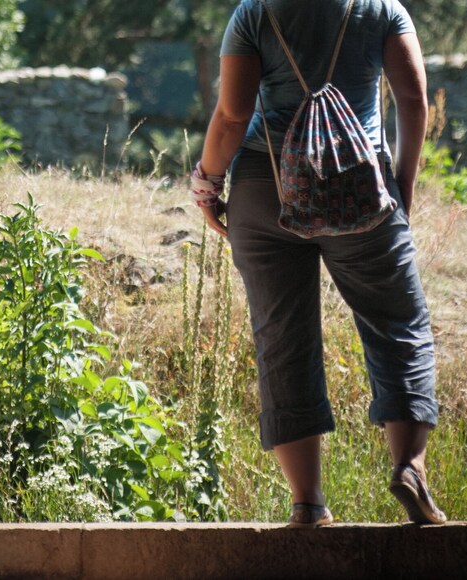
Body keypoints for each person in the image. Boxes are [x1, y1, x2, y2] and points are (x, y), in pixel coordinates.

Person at [189, 0, 446, 527]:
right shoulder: (383, 9)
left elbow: (233, 116)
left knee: (281, 337)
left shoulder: (254, 13)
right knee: (398, 322)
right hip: (361, 187)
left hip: (266, 187)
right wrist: (402, 188)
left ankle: (307, 502)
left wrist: (207, 184)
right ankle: (409, 468)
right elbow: (413, 101)